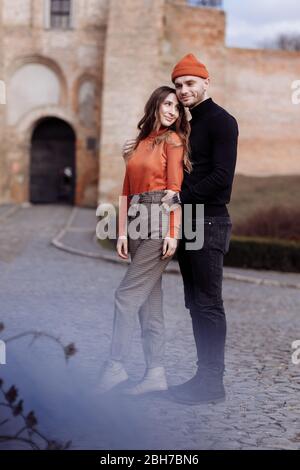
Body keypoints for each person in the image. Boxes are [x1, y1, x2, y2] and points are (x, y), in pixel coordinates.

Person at [99, 86, 191, 395]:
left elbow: (175, 188)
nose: (171, 111)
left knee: (125, 296)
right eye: (167, 104)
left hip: (159, 219)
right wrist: (122, 230)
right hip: (136, 219)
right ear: (154, 104)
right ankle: (156, 373)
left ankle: (115, 366)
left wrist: (173, 232)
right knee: (148, 306)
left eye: (177, 108)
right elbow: (126, 189)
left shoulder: (174, 141)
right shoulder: (136, 144)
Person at [161, 53, 239, 405]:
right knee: (194, 303)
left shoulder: (223, 122)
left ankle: (212, 383)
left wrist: (181, 196)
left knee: (208, 304)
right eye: (178, 85)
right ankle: (202, 377)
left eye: (190, 83)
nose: (183, 90)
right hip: (189, 221)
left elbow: (222, 178)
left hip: (210, 219)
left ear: (206, 82)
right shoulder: (186, 126)